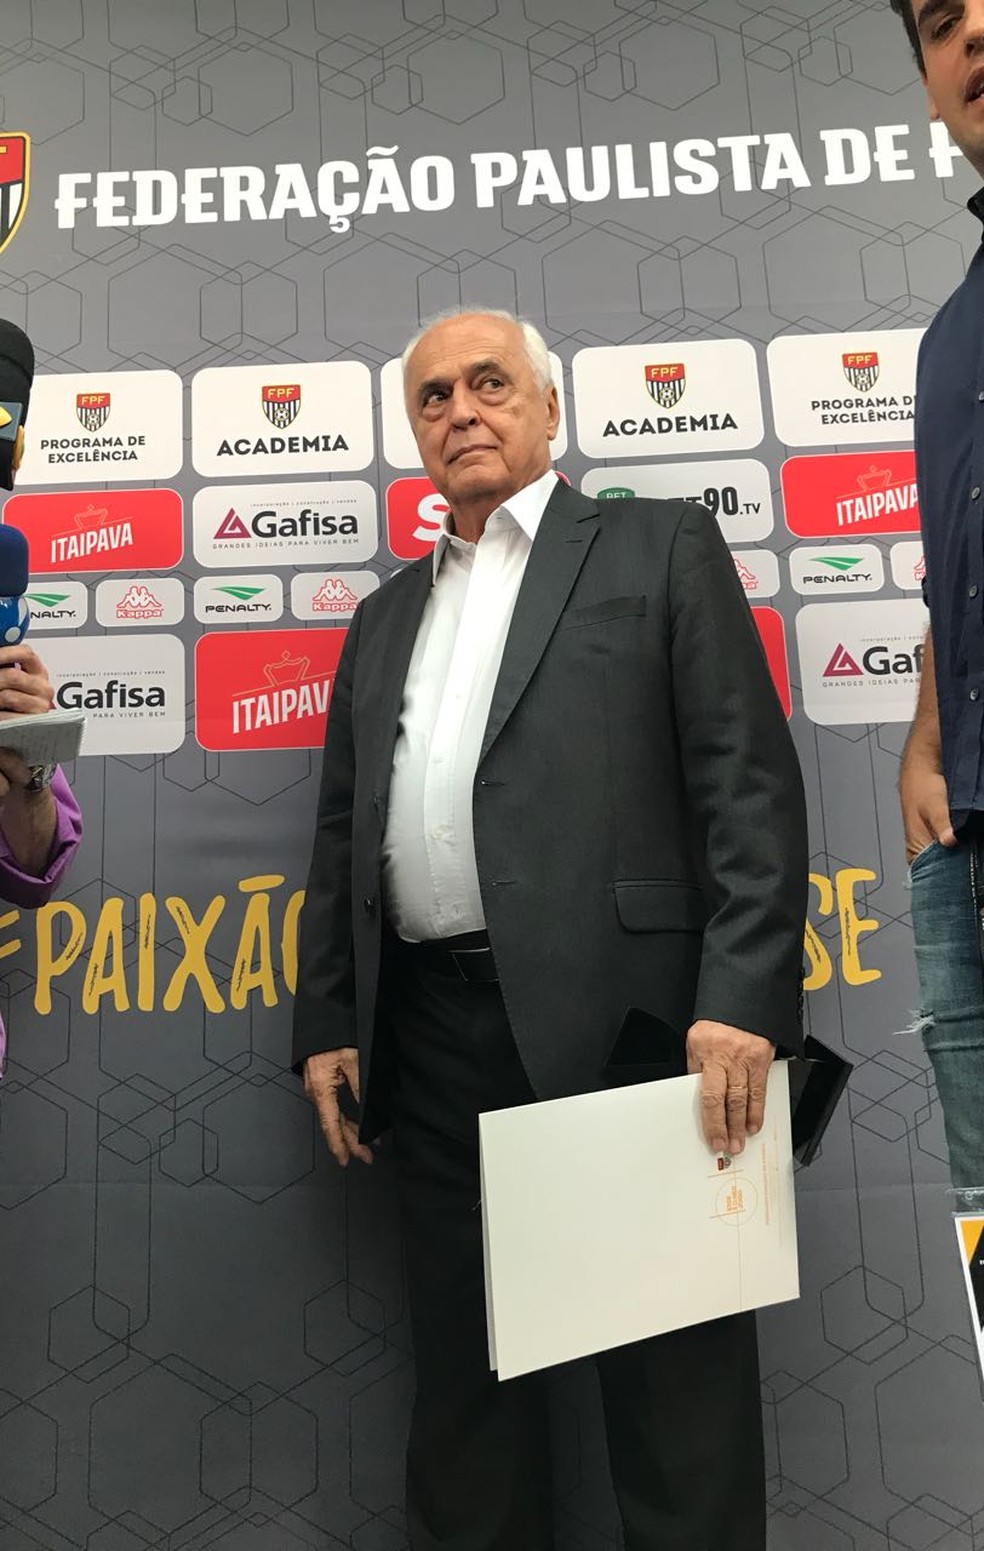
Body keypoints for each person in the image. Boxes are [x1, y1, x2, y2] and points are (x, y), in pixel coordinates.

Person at [293, 308, 808, 1550]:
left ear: (546, 405)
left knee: (675, 1412)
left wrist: (741, 1000)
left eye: (487, 383)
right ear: (414, 433)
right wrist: (327, 1022)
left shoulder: (657, 547)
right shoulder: (382, 618)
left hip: (634, 1034)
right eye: (432, 398)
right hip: (430, 1041)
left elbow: (749, 790)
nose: (460, 411)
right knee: (469, 1409)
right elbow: (341, 834)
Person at [892, 0, 984, 1193]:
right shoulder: (949, 336)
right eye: (941, 21)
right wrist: (926, 730)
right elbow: (952, 567)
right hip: (965, 835)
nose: (974, 36)